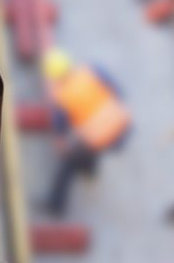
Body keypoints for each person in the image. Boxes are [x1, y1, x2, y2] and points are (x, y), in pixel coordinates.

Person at [41, 47, 131, 218]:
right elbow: (116, 89)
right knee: (89, 148)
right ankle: (90, 171)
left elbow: (61, 127)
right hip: (120, 125)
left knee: (68, 164)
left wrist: (61, 146)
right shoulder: (91, 71)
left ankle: (55, 205)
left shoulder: (62, 95)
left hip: (99, 135)